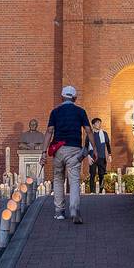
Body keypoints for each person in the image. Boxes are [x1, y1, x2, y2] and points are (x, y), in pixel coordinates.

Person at [43, 85, 91, 224]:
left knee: (58, 178)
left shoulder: (55, 112)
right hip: (75, 149)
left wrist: (43, 152)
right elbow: (88, 131)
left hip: (59, 149)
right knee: (74, 180)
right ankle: (74, 209)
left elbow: (49, 131)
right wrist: (94, 148)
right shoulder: (80, 111)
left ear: (62, 97)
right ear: (75, 98)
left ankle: (59, 212)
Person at [85, 117, 112, 194]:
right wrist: (88, 156)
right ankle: (92, 191)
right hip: (92, 157)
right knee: (92, 174)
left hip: (102, 157)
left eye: (100, 123)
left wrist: (110, 155)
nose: (99, 124)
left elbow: (107, 145)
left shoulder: (104, 134)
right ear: (93, 125)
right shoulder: (89, 134)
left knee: (102, 175)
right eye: (97, 123)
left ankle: (101, 190)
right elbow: (86, 146)